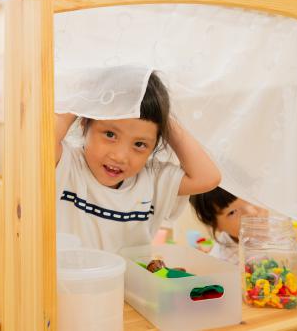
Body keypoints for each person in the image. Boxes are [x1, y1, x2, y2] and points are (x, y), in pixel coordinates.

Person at [55, 71, 221, 253]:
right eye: (110, 134)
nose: (120, 156)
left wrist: (161, 116)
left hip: (130, 274)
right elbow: (41, 140)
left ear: (155, 145)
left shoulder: (152, 180)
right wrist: (84, 99)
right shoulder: (66, 165)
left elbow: (208, 177)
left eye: (140, 144)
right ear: (84, 123)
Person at [189, 186, 265, 264]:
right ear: (215, 225)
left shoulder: (268, 231)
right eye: (232, 212)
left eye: (249, 199)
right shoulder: (222, 261)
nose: (252, 212)